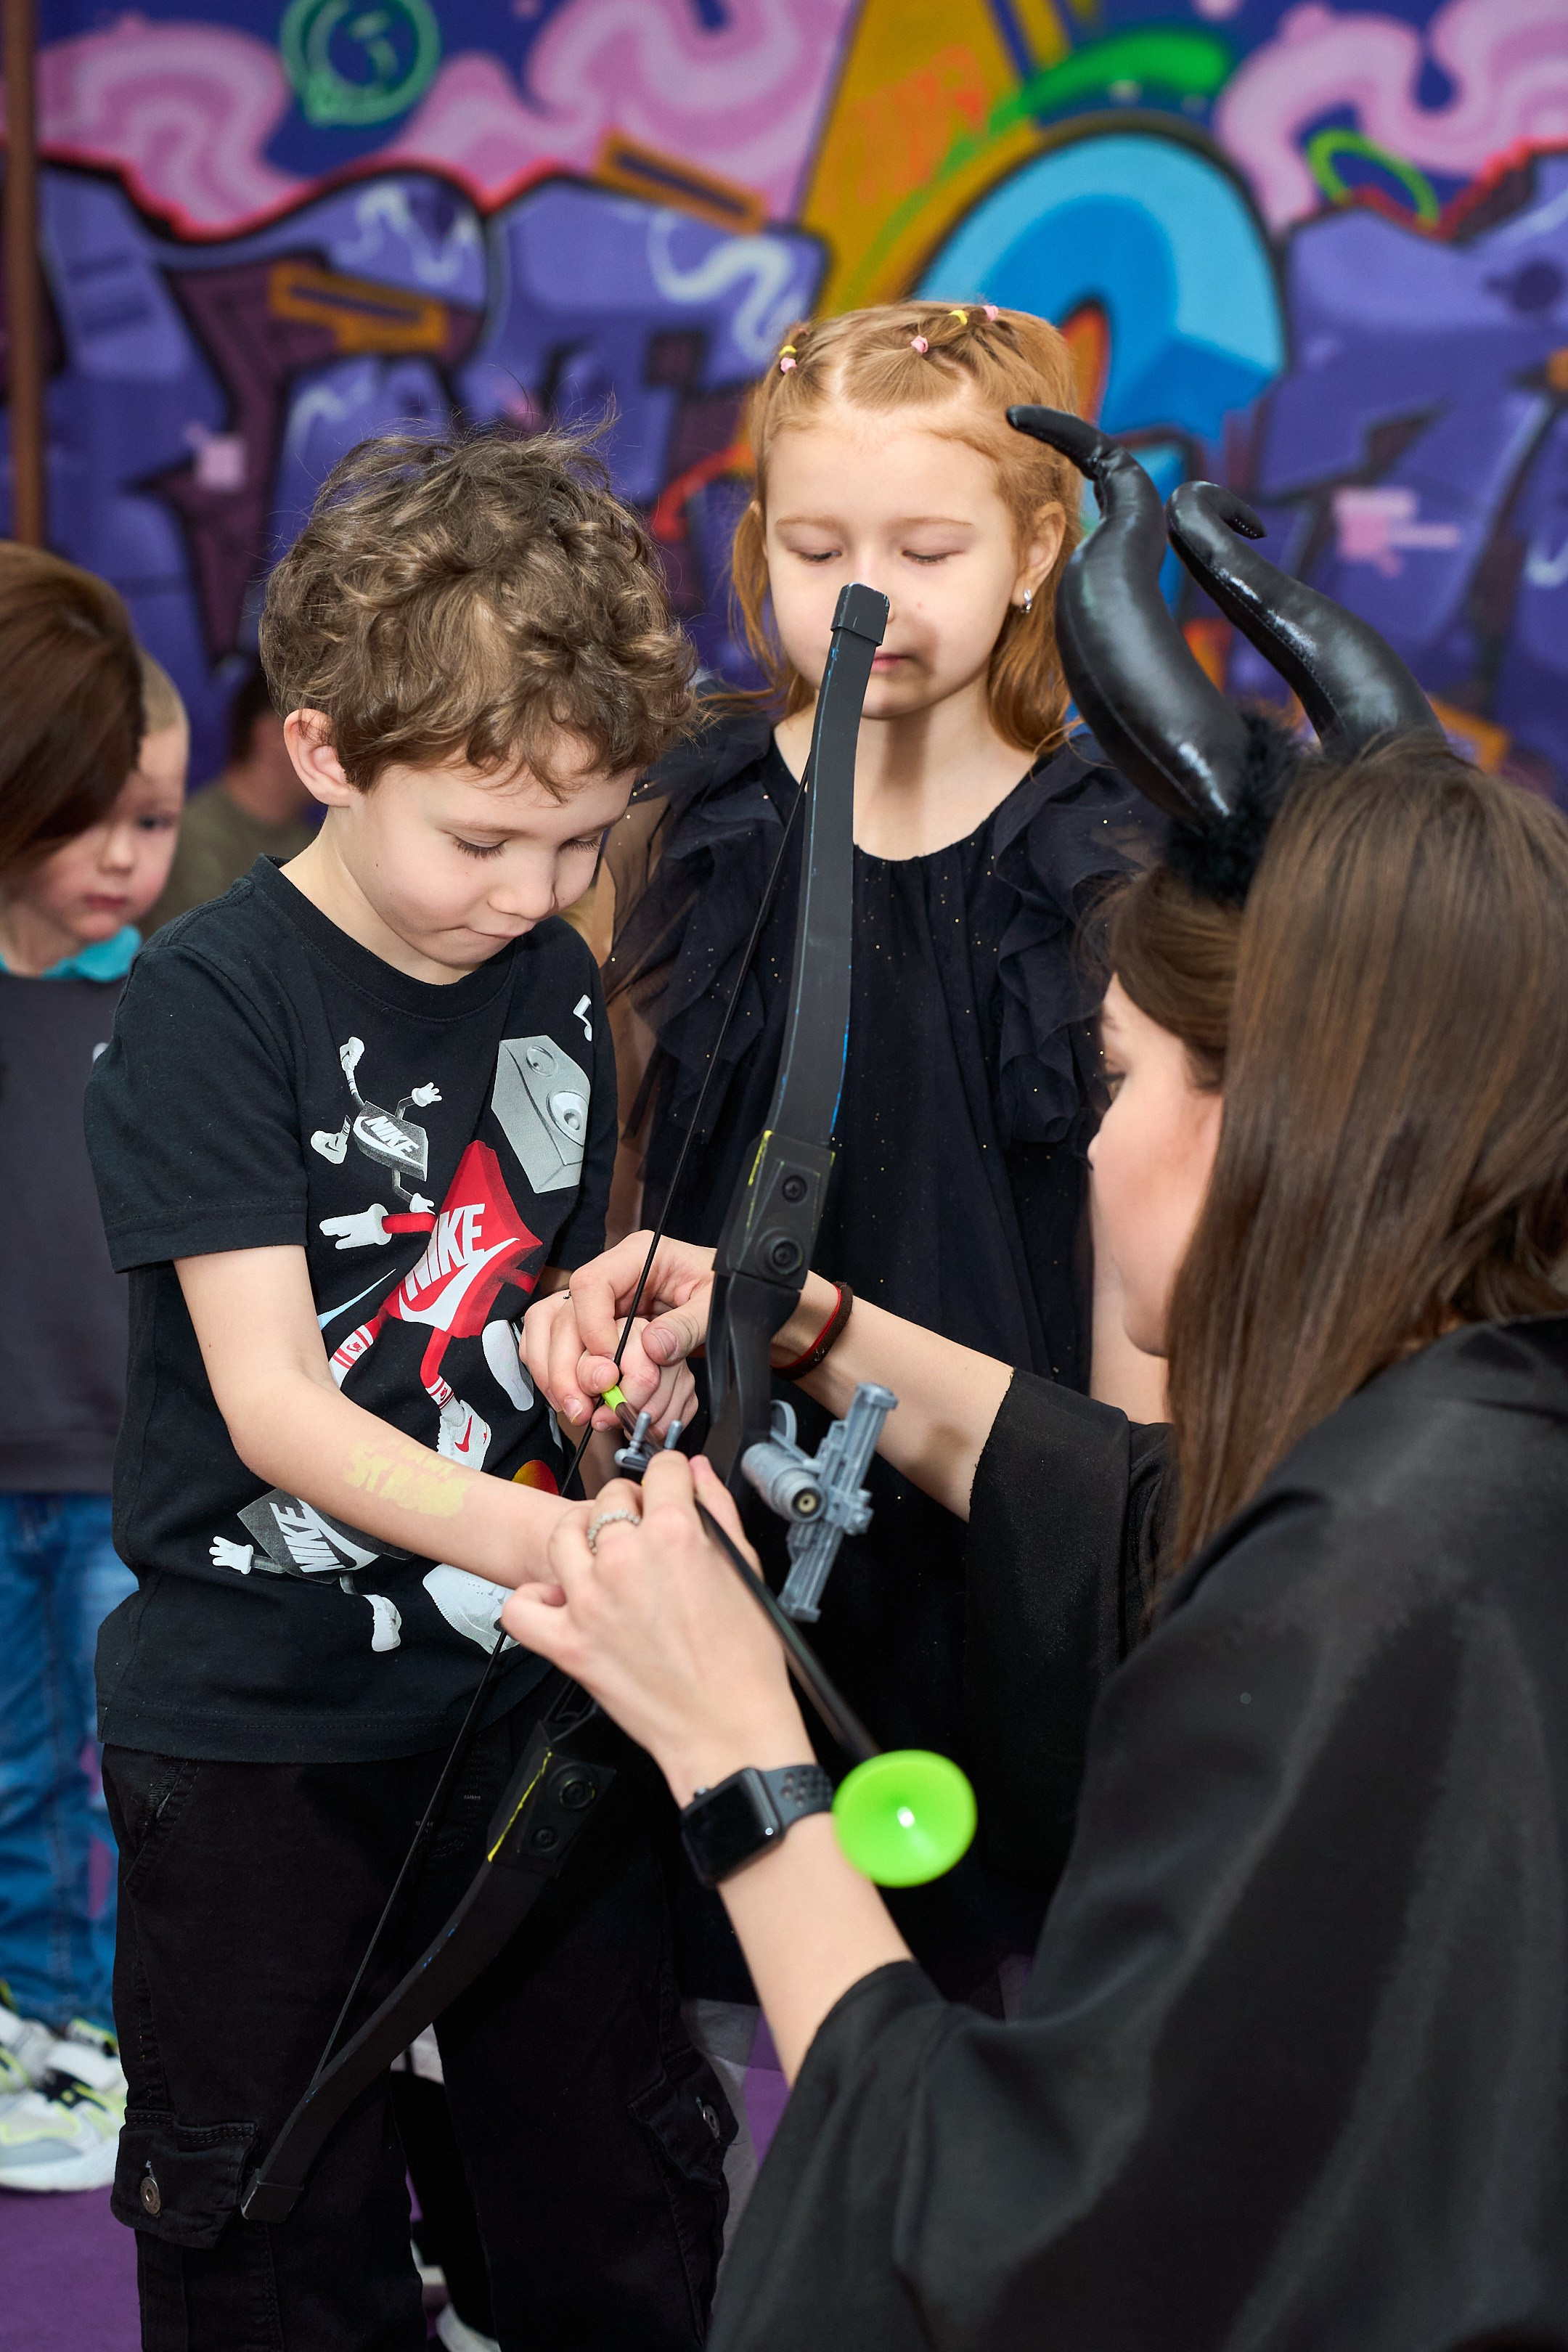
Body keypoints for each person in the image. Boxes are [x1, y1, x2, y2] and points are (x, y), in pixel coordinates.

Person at [507, 434, 1568, 2344]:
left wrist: (737, 1745)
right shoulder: (1480, 1452)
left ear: (1286, 1129)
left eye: (1119, 1079)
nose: (1090, 1146)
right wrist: (814, 1326)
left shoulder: (1381, 1582)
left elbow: (1023, 2224)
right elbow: (1173, 1531)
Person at [83, 428, 733, 2352]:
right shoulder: (216, 1000)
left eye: (581, 843)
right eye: (482, 839)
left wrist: (575, 1350)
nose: (537, 894)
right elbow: (277, 1406)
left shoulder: (536, 972)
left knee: (611, 2194)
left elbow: (503, 1285)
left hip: (518, 1710)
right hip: (264, 1739)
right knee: (276, 2227)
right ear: (326, 754)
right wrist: (578, 1535)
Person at [600, 300, 1160, 2015]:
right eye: (815, 544)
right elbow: (634, 1141)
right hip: (737, 1478)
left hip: (1011, 1481)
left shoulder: (1107, 842)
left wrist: (1141, 1497)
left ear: (1034, 547)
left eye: (925, 547)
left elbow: (1151, 1223)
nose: (863, 596)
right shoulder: (698, 816)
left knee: (1021, 1965)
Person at [0, 580, 187, 2194]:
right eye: (97, 818)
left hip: (118, 1458)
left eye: (156, 818)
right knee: (19, 1760)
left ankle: (98, 2023)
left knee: (119, 1758)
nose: (131, 853)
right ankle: (51, 2029)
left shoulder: (162, 998)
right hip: (9, 1460)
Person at [147, 658, 316, 929]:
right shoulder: (195, 833)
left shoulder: (312, 839)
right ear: (272, 735)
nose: (341, 754)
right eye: (323, 734)